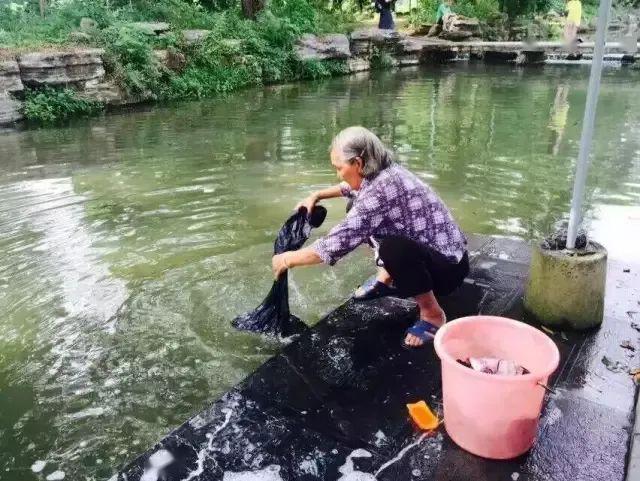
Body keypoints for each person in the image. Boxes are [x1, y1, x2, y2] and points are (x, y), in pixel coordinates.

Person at [271, 126, 469, 349]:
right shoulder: (384, 172)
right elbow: (349, 188)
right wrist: (316, 195)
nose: (337, 173)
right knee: (354, 207)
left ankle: (432, 315)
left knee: (393, 248)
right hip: (442, 254)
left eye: (339, 168)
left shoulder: (380, 191)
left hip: (448, 271)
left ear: (358, 163)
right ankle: (385, 277)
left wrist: (285, 260)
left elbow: (335, 244)